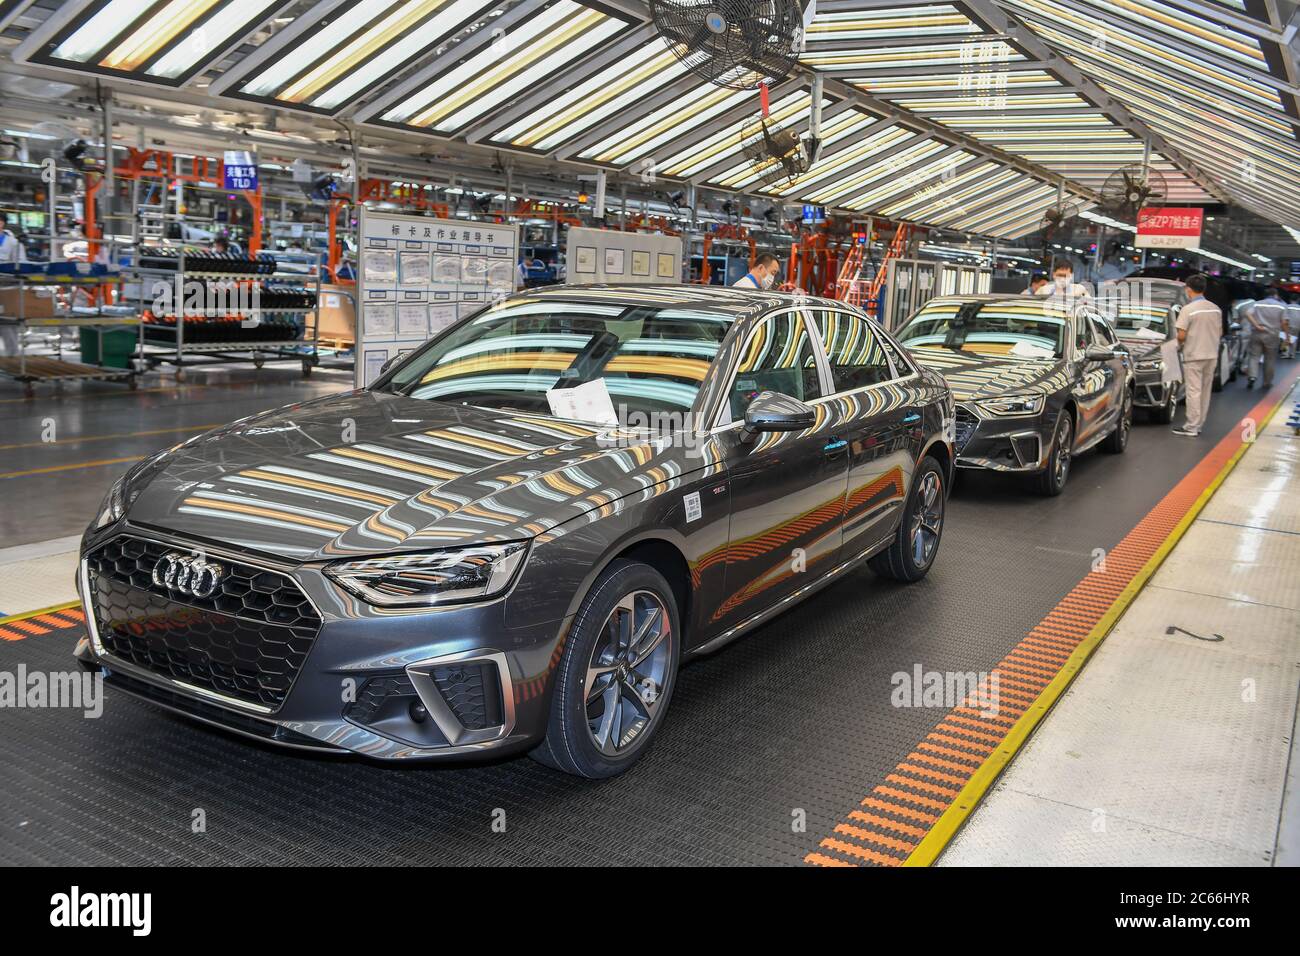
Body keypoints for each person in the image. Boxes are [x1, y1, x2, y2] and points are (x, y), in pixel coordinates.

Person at [1172, 273, 1222, 438]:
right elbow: (1220, 332)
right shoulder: (1216, 308)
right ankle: (1198, 424)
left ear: (1188, 289)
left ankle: (1191, 427)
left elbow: (1181, 335)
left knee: (1193, 391)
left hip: (1194, 355)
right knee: (1205, 391)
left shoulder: (1188, 310)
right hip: (1211, 355)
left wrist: (1176, 347)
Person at [1243, 286, 1286, 389]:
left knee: (1254, 356)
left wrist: (1256, 325)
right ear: (1276, 295)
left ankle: (1252, 377)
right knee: (1270, 359)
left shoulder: (1257, 303)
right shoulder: (1281, 306)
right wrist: (1287, 336)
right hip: (1272, 335)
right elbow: (1284, 322)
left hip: (1257, 333)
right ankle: (1267, 382)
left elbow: (1247, 313)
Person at [0, 212, 25, 356]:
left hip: (7, 286)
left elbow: (20, 263)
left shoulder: (13, 242)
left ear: (2, 223)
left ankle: (13, 355)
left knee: (8, 320)